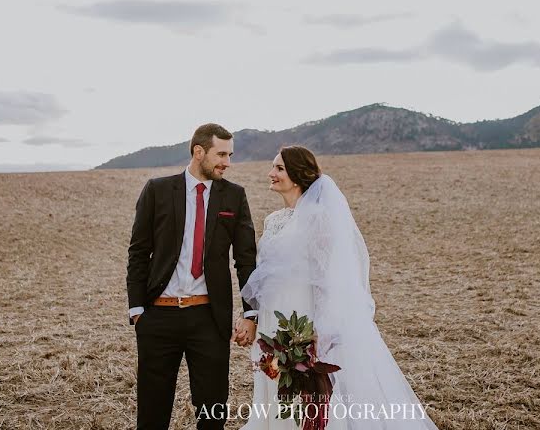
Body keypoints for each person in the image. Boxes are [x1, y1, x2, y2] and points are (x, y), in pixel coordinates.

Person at [239, 146, 439, 429]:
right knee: (274, 381)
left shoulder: (319, 218)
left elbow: (325, 277)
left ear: (297, 176)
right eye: (273, 167)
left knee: (307, 391)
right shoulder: (273, 220)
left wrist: (320, 329)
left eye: (279, 168)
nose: (271, 174)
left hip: (302, 318)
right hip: (274, 317)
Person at [127, 123, 259, 430]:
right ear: (198, 152)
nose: (227, 162)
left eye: (230, 154)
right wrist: (137, 310)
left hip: (208, 318)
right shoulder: (158, 190)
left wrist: (251, 311)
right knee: (152, 411)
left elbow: (246, 259)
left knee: (212, 411)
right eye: (221, 154)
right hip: (158, 316)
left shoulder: (234, 196)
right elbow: (138, 252)